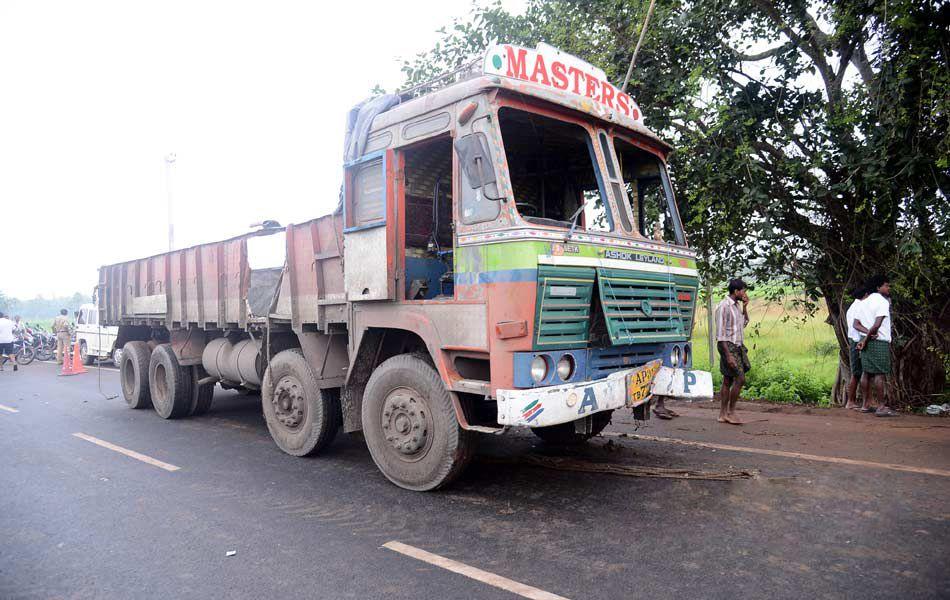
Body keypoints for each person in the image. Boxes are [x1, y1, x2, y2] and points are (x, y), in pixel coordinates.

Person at [856, 275, 898, 417]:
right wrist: (868, 338)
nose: (888, 288)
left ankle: (865, 405)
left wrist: (865, 337)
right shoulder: (882, 302)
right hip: (878, 341)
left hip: (866, 339)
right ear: (878, 287)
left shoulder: (864, 302)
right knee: (879, 374)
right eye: (886, 285)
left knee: (866, 372)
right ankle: (881, 407)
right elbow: (877, 324)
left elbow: (857, 324)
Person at [715, 279, 750, 425]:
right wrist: (728, 355)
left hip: (737, 346)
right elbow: (721, 334)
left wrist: (745, 307)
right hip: (727, 346)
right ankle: (731, 412)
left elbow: (744, 323)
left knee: (728, 379)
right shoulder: (724, 306)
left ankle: (722, 414)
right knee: (740, 379)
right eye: (743, 290)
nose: (745, 293)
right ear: (736, 291)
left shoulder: (736, 306)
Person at [844, 284, 870, 410]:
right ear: (865, 295)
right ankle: (851, 401)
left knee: (857, 372)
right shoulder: (860, 307)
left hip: (854, 340)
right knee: (859, 372)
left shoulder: (852, 307)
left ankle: (852, 401)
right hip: (858, 340)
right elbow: (857, 326)